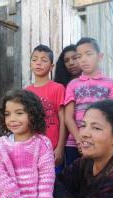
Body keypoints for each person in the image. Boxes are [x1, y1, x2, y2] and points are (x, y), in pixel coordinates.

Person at [64, 37, 113, 166]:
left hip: (100, 142)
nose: (83, 59)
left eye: (88, 54)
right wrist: (79, 140)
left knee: (101, 180)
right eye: (79, 56)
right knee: (75, 181)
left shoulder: (110, 84)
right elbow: (68, 117)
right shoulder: (73, 84)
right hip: (75, 144)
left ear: (100, 56)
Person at [26, 45, 66, 173]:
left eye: (44, 60)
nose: (38, 63)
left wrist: (60, 147)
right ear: (30, 64)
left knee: (53, 186)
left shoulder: (58, 89)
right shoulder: (26, 92)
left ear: (51, 66)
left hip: (52, 149)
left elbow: (63, 120)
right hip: (31, 149)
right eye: (34, 59)